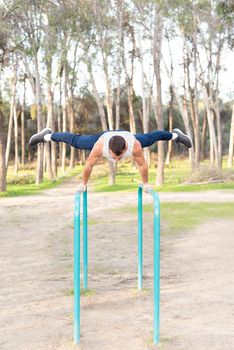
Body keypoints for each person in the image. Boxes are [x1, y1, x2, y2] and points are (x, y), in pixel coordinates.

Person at [29, 128, 192, 191]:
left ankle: (177, 135)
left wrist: (146, 183)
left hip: (126, 136)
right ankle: (47, 135)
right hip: (104, 136)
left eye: (119, 156)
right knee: (76, 141)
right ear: (109, 151)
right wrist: (83, 184)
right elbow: (88, 166)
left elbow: (142, 165)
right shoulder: (99, 146)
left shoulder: (134, 145)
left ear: (125, 150)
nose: (116, 159)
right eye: (114, 156)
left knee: (151, 137)